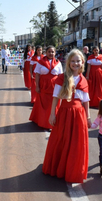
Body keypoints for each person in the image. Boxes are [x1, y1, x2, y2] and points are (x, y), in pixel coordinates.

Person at [42, 49, 90, 183]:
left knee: (76, 143)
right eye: (73, 61)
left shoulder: (83, 80)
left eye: (78, 61)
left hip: (79, 115)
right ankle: (59, 168)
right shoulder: (61, 78)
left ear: (82, 63)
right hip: (64, 112)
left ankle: (72, 169)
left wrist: (88, 118)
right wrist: (52, 114)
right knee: (61, 140)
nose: (75, 63)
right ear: (68, 63)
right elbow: (56, 97)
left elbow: (86, 101)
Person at [29, 45, 63, 129]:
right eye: (49, 52)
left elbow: (61, 76)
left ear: (55, 53)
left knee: (53, 104)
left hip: (55, 87)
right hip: (43, 87)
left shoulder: (58, 63)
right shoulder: (40, 62)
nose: (51, 53)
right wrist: (37, 86)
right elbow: (37, 74)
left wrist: (62, 88)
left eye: (53, 52)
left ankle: (53, 122)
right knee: (43, 105)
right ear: (46, 52)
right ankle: (43, 122)